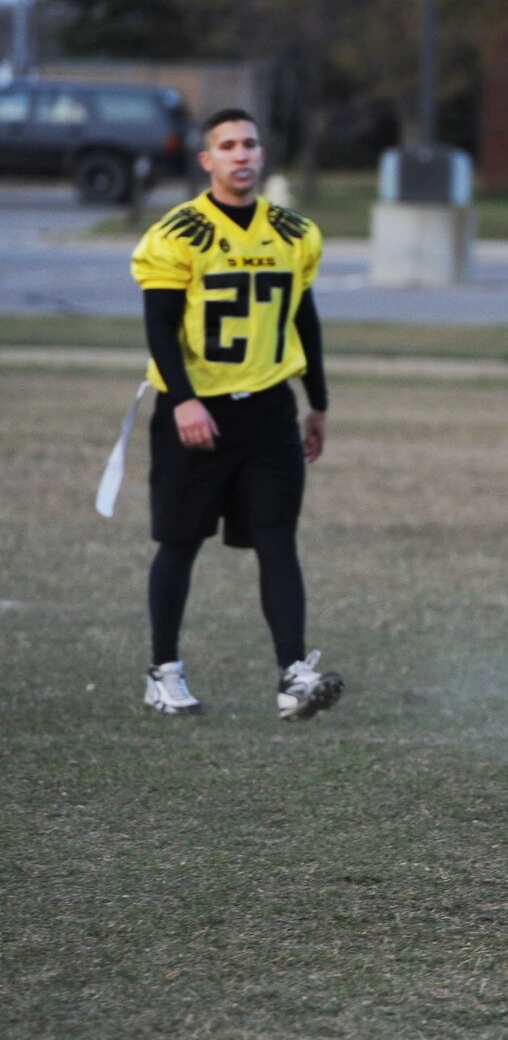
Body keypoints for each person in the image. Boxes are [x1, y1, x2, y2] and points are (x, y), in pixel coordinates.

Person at [132, 107, 343, 721]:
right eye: (227, 145)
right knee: (179, 541)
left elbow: (304, 319)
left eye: (250, 143)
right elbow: (159, 327)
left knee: (278, 539)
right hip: (196, 411)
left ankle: (293, 675)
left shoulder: (294, 232)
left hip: (271, 409)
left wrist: (318, 402)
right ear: (208, 160)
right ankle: (163, 670)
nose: (241, 154)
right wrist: (184, 399)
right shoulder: (175, 232)